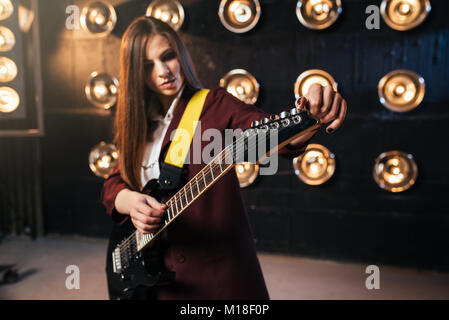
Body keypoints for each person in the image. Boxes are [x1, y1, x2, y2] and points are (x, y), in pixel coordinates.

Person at [101, 16, 347, 300]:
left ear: (180, 54)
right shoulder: (137, 124)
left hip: (213, 277)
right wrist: (132, 202)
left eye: (167, 56)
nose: (162, 71)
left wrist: (308, 118)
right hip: (153, 278)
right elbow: (112, 183)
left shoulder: (214, 104)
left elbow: (266, 136)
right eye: (147, 66)